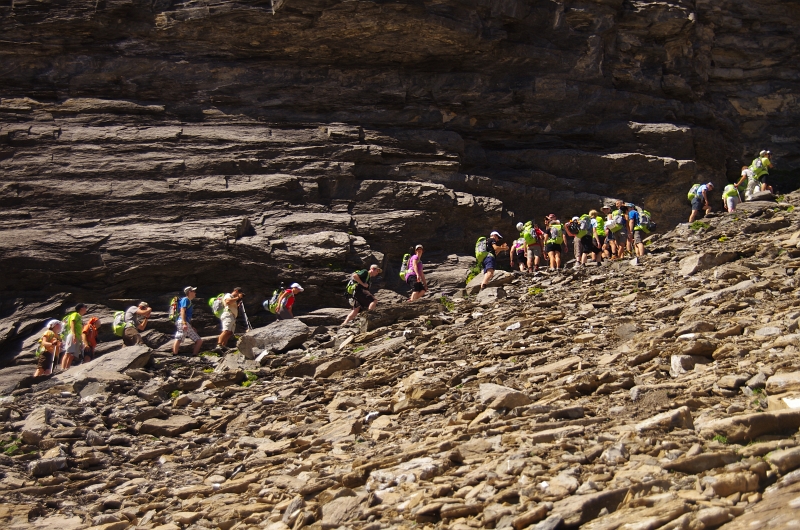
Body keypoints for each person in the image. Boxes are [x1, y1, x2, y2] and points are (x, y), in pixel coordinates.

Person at [173, 287, 202, 356]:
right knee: (180, 338)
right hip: (182, 322)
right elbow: (182, 311)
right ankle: (175, 355)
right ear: (189, 292)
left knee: (179, 337)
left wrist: (191, 326)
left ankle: (175, 354)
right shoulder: (185, 299)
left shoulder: (187, 300)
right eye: (194, 291)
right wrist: (184, 323)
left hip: (183, 322)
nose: (195, 293)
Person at [216, 287, 244, 352]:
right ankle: (219, 345)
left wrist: (237, 305)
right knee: (226, 330)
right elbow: (228, 301)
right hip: (228, 314)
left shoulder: (234, 299)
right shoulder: (229, 295)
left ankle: (223, 346)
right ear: (236, 291)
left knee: (229, 333)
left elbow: (231, 305)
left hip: (232, 316)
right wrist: (238, 298)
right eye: (239, 293)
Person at [61, 303, 87, 370]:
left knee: (73, 355)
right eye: (85, 307)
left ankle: (67, 368)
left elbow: (80, 331)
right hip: (72, 335)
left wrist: (81, 342)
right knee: (68, 352)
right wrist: (73, 334)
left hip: (77, 337)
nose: (86, 308)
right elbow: (72, 323)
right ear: (81, 308)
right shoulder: (75, 314)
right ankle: (62, 368)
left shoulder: (80, 318)